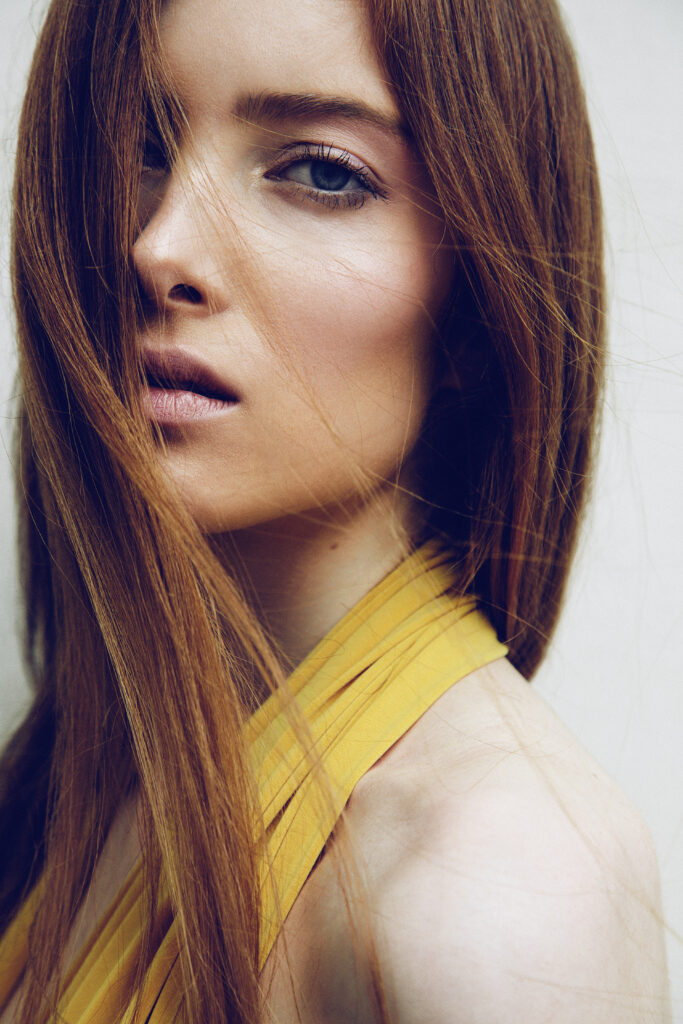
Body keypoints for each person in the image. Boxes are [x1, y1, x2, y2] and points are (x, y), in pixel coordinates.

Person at [0, 0, 671, 1020]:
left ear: (475, 309)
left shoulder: (497, 890)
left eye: (320, 173)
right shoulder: (84, 771)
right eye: (134, 144)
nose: (159, 246)